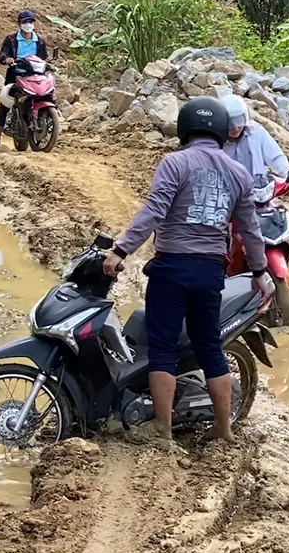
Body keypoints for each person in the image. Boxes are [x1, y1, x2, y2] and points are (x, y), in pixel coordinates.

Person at [102, 97, 273, 445]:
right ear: (222, 132)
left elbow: (153, 211)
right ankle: (224, 428)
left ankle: (162, 430)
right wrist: (259, 271)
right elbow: (250, 230)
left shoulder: (175, 163)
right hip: (211, 273)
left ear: (185, 128)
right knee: (210, 347)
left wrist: (121, 251)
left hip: (171, 269)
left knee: (162, 348)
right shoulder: (238, 174)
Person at [0, 10, 48, 149]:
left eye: (30, 22)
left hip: (35, 75)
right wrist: (6, 59)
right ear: (19, 24)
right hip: (16, 74)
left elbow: (44, 58)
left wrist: (49, 66)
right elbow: (2, 54)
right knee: (5, 105)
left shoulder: (40, 41)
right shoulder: (11, 40)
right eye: (25, 22)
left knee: (46, 95)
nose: (28, 25)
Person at [219, 95, 289, 189]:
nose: (236, 128)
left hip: (257, 190)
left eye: (239, 122)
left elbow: (275, 157)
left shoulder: (256, 132)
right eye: (231, 125)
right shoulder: (216, 139)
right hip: (227, 192)